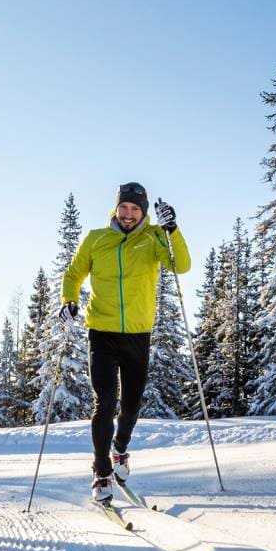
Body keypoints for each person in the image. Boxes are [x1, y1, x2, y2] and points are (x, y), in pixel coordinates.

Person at [60, 183, 192, 504]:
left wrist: (172, 230)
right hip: (102, 332)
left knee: (131, 404)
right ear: (116, 209)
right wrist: (70, 299)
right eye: (124, 208)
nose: (129, 214)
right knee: (104, 403)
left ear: (143, 211)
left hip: (137, 333)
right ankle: (101, 470)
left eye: (135, 209)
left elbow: (181, 265)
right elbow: (73, 274)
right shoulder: (96, 239)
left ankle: (120, 450)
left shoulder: (154, 238)